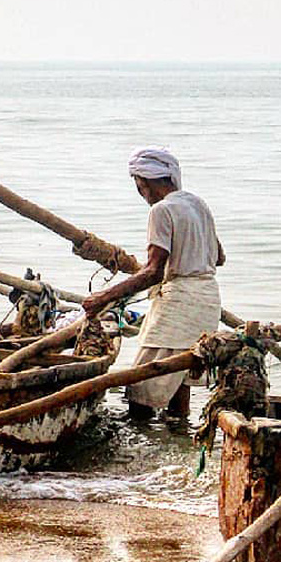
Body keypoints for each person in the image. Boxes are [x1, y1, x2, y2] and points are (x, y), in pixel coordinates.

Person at [82, 147, 224, 420]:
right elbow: (219, 257)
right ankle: (178, 442)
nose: (140, 194)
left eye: (139, 186)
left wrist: (103, 298)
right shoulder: (198, 204)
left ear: (146, 182)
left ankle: (140, 447)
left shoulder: (161, 210)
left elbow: (153, 272)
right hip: (208, 300)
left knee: (142, 389)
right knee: (180, 380)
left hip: (179, 304)